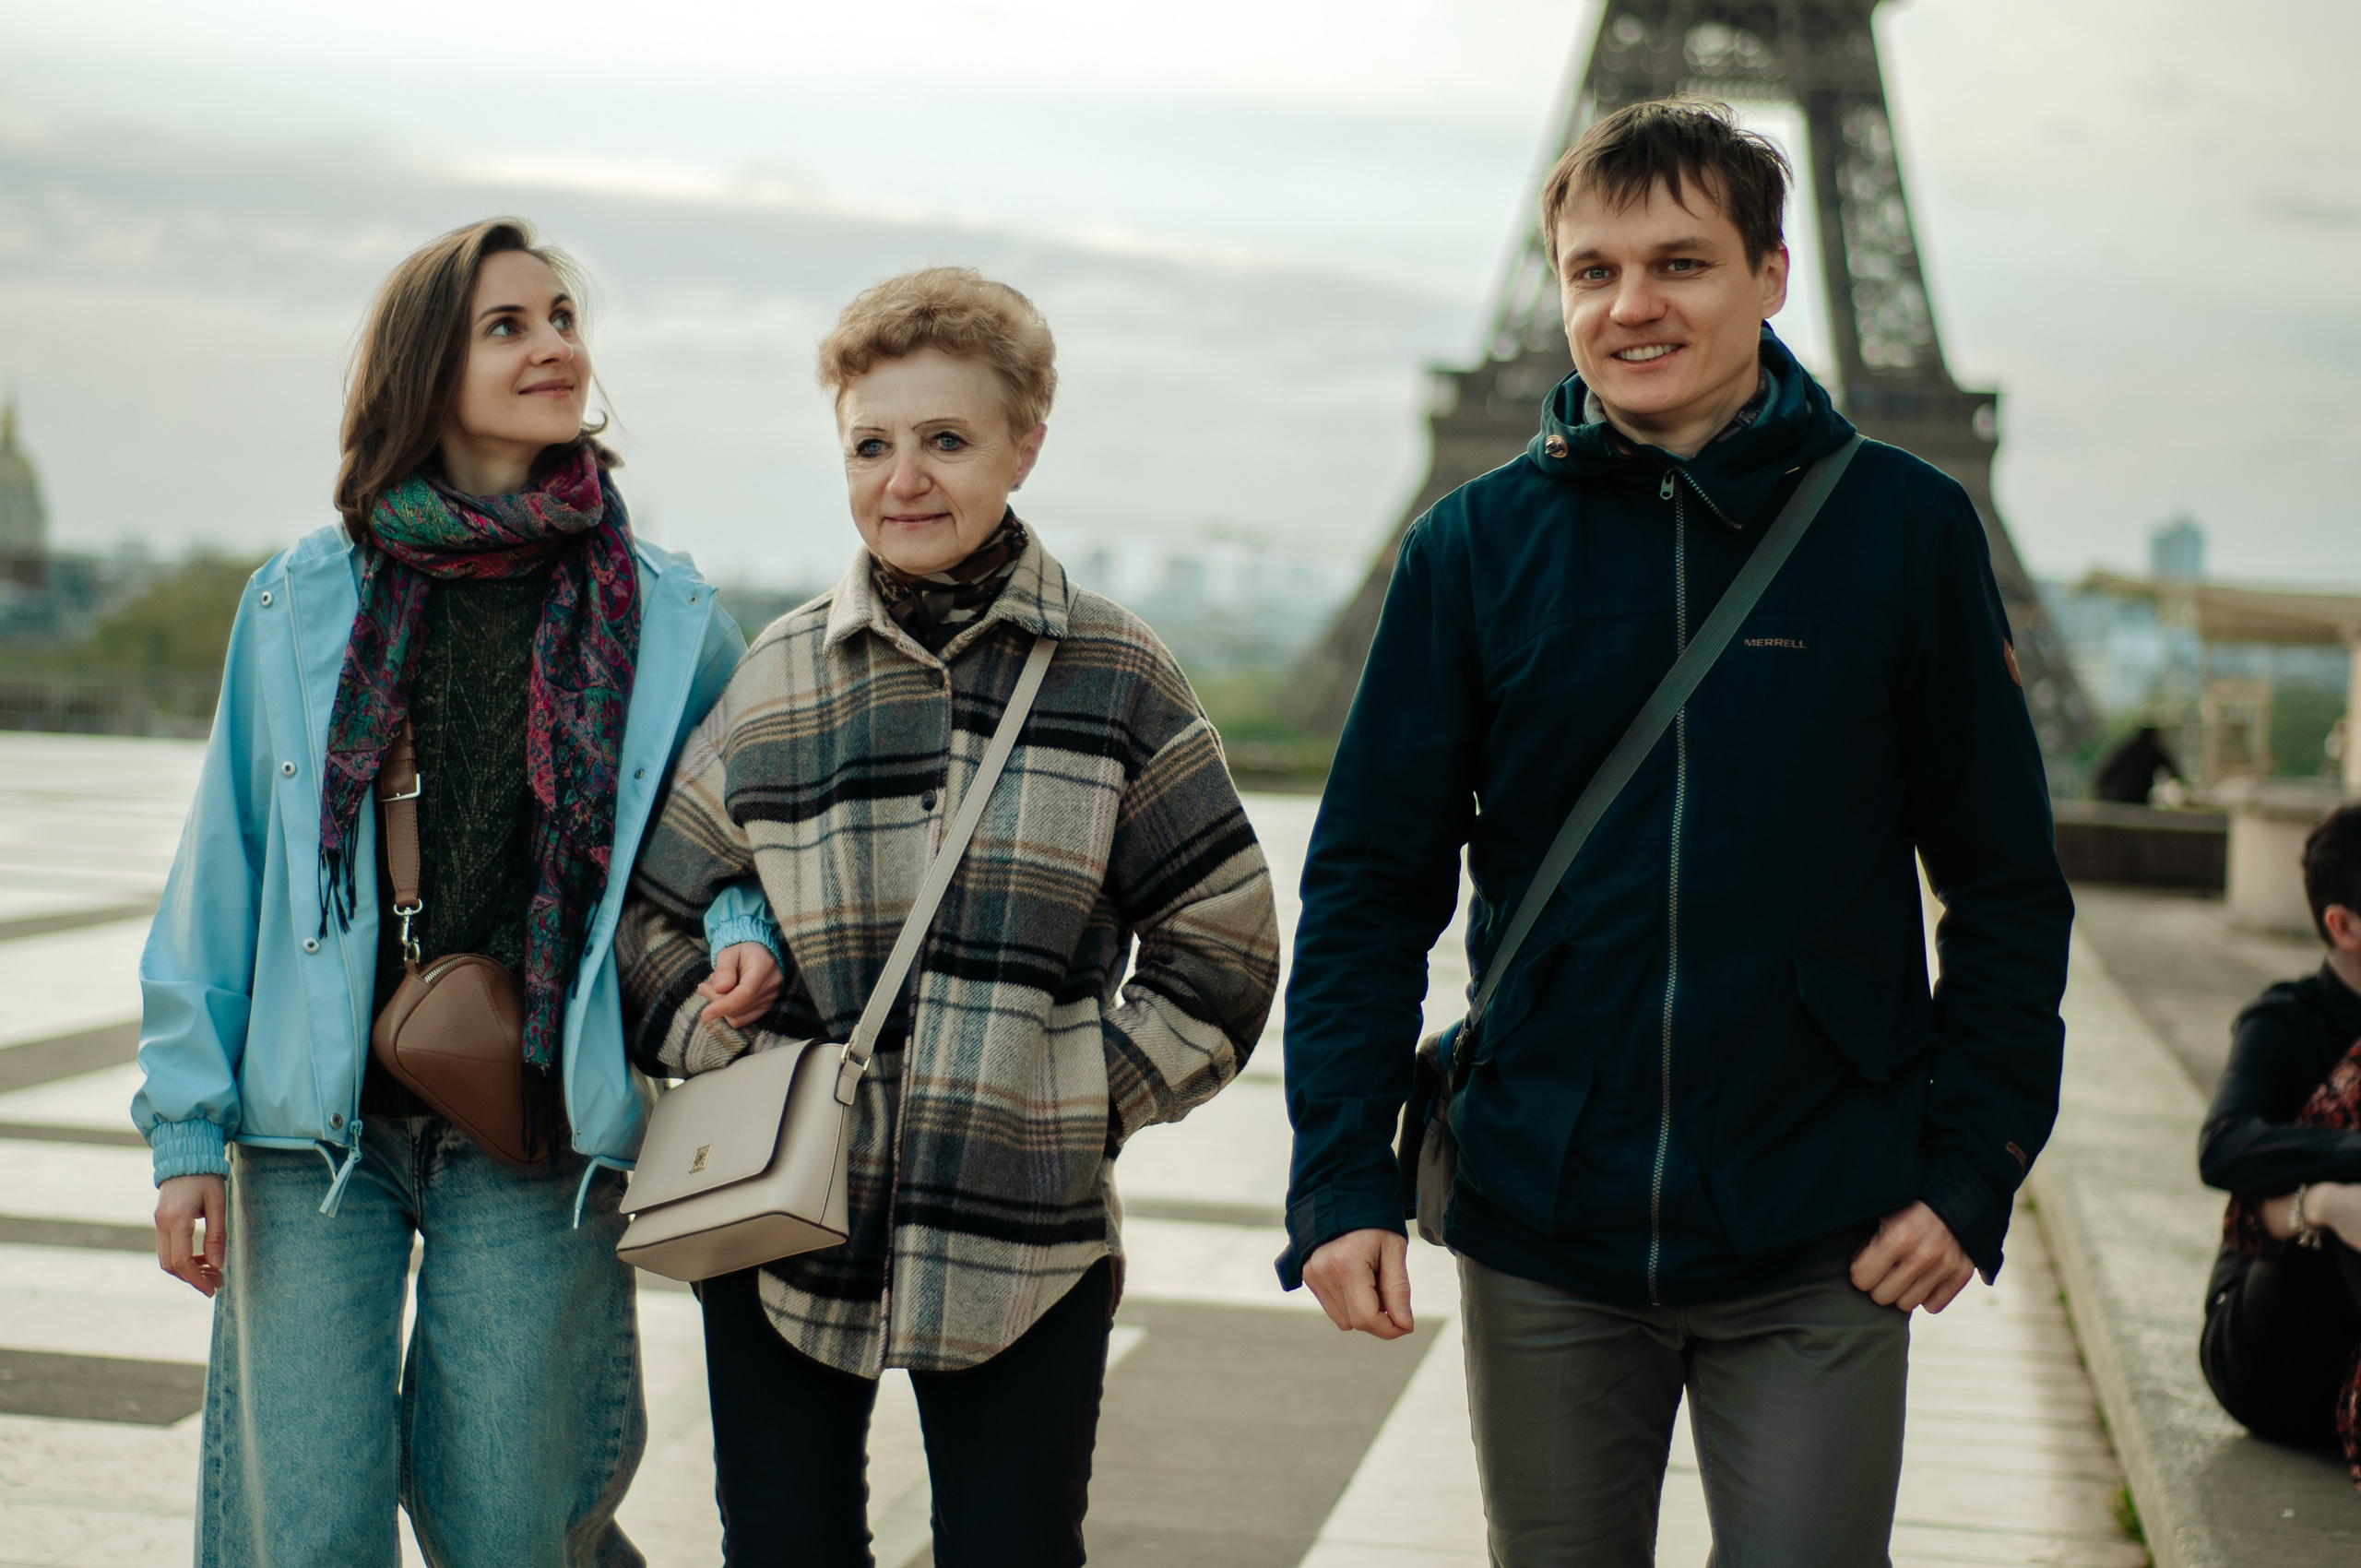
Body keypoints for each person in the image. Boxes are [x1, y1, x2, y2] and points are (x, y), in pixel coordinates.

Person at [1278, 100, 2072, 1563]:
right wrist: (1341, 1174)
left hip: (1823, 1231)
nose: (1632, 305)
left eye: (1680, 264)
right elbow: (1372, 888)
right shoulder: (1470, 547)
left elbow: (2009, 888)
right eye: (1593, 272)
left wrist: (1971, 1170)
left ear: (1772, 277)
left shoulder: (1903, 531)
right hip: (1543, 1222)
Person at [615, 265, 1280, 1567]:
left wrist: (1080, 1104)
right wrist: (720, 1028)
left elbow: (1225, 943)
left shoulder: (1119, 675)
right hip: (786, 1224)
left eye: (945, 441)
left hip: (1027, 1240)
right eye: (871, 444)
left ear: (1025, 445)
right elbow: (652, 923)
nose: (903, 479)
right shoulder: (778, 681)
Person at [135, 217, 746, 1567]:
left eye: (566, 316)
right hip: (316, 1139)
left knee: (511, 1522)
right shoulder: (305, 598)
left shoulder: (671, 615)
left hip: (535, 1134)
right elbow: (225, 867)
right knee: (306, 1523)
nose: (556, 345)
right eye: (510, 324)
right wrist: (188, 1132)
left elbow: (731, 840)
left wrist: (744, 928)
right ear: (428, 366)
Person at [2199, 802, 2361, 1477]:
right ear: (2344, 925)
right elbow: (2224, 1147)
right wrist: (2330, 1188)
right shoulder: (2284, 1021)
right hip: (2268, 1345)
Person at [2093, 723, 2181, 804]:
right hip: (2134, 800)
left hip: (2115, 799)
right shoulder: (2153, 752)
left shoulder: (2127, 747)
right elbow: (2176, 773)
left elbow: (2104, 772)